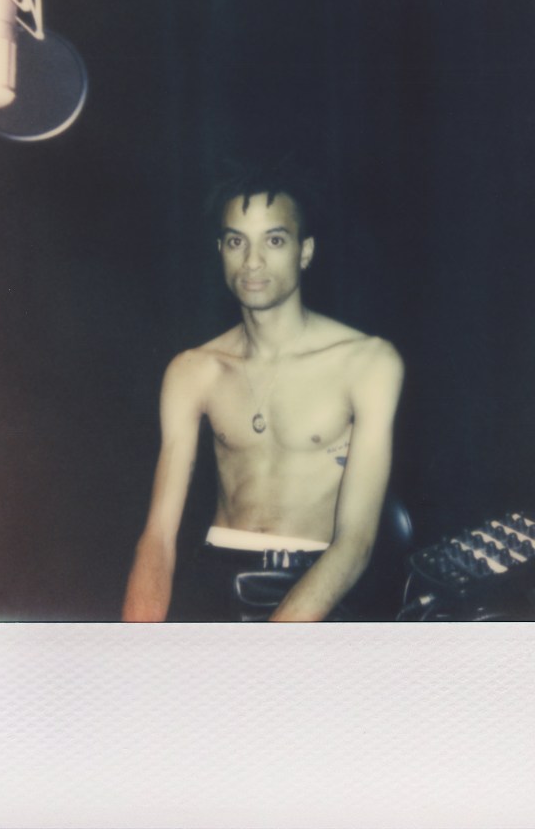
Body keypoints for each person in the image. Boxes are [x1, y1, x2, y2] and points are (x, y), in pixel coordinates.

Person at [122, 170, 404, 622]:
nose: (252, 261)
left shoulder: (367, 363)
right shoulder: (192, 370)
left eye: (273, 241)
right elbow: (157, 538)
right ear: (221, 250)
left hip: (318, 592)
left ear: (304, 252)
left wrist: (266, 651)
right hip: (214, 583)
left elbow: (356, 543)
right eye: (237, 242)